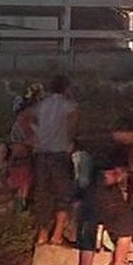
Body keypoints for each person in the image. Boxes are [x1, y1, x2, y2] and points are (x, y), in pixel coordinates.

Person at [76, 150, 133, 265]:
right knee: (125, 234)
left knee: (89, 237)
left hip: (91, 211)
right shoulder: (109, 190)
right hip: (103, 212)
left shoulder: (93, 185)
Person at [31, 75, 79, 246]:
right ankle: (57, 234)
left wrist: (36, 137)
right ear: (66, 88)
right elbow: (72, 126)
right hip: (60, 153)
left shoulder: (41, 105)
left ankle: (42, 234)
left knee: (42, 194)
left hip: (41, 153)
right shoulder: (69, 105)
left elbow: (28, 119)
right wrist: (69, 141)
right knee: (63, 194)